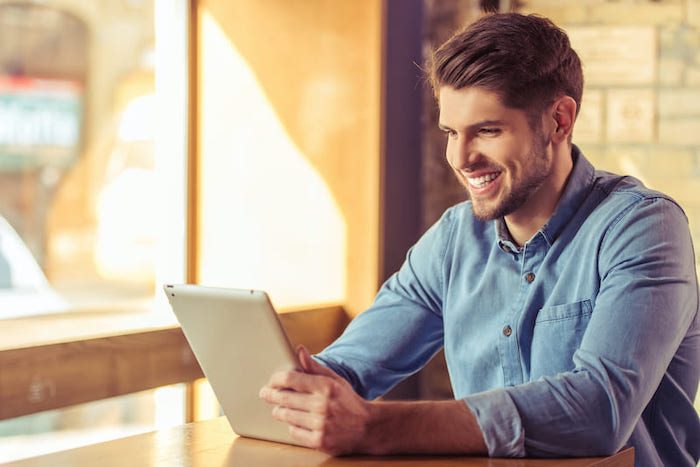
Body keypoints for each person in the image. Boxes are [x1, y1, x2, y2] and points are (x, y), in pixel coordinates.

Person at [259, 12, 700, 466]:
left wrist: (375, 427)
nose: (461, 158)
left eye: (487, 130)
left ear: (560, 121)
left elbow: (599, 410)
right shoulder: (454, 239)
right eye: (451, 132)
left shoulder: (643, 227)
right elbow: (350, 367)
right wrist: (298, 392)